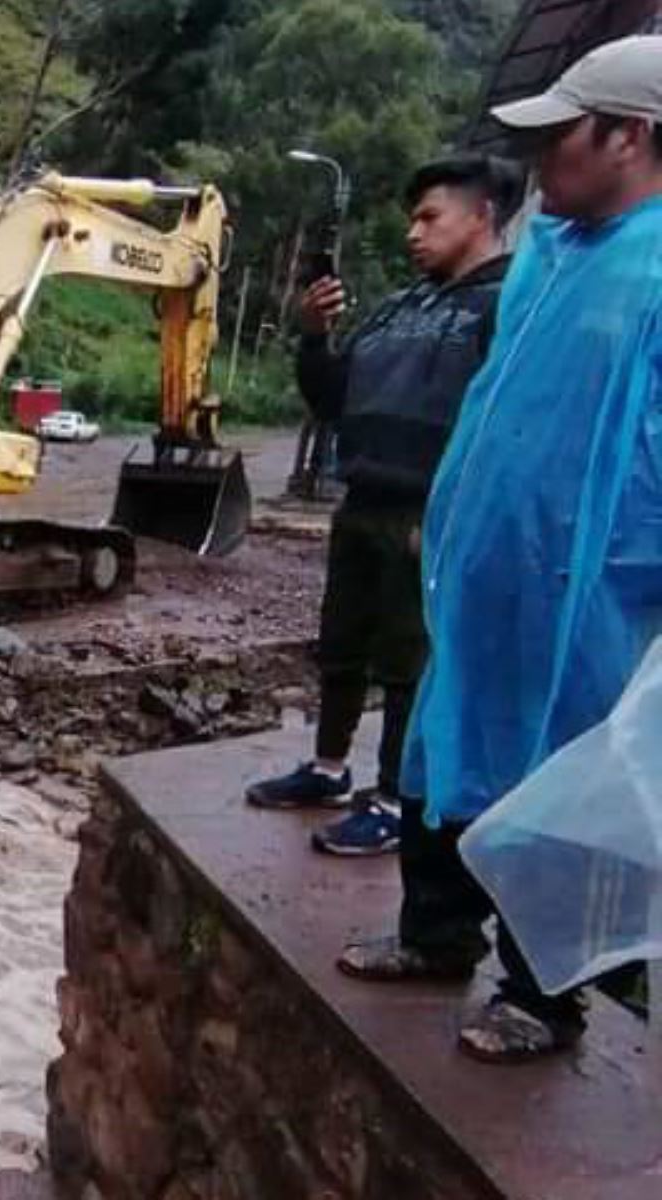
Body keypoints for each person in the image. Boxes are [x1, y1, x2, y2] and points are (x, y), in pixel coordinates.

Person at [337, 34, 662, 1064]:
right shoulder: (550, 256)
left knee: (566, 778)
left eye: (562, 135)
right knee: (448, 743)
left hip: (593, 590)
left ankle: (544, 993)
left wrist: (626, 568)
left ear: (629, 135)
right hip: (484, 569)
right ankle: (437, 934)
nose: (538, 158)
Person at [245, 156, 523, 859]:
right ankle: (328, 769)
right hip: (362, 499)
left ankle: (398, 799)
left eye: (430, 217)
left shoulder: (509, 304)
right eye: (412, 218)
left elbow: (511, 422)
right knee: (342, 641)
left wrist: (456, 512)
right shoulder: (400, 307)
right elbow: (331, 399)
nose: (413, 233)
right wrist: (315, 335)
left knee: (409, 658)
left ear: (483, 215)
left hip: (429, 512)